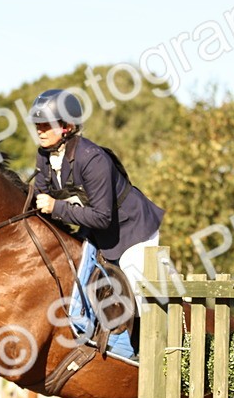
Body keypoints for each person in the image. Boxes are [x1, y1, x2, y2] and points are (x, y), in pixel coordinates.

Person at [29, 89, 166, 299]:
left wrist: (56, 207)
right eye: (38, 125)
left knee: (136, 301)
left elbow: (102, 217)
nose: (40, 131)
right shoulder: (44, 155)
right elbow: (40, 201)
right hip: (94, 235)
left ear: (66, 126)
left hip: (131, 232)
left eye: (47, 125)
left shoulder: (92, 159)